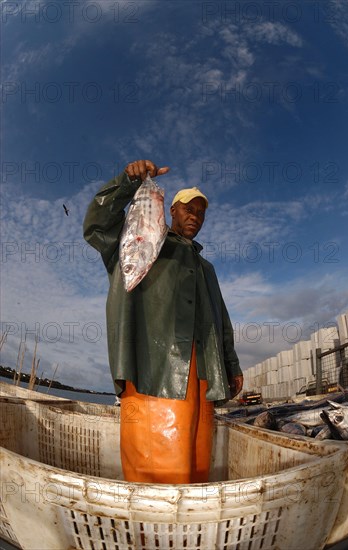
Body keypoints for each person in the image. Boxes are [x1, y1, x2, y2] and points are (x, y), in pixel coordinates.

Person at [83, 159, 243, 484]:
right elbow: (97, 225)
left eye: (201, 212)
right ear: (172, 210)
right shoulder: (143, 238)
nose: (195, 216)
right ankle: (151, 535)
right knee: (156, 475)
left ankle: (188, 531)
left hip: (204, 379)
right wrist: (127, 182)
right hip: (153, 373)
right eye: (188, 209)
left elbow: (220, 322)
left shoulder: (206, 269)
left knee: (196, 469)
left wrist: (231, 365)